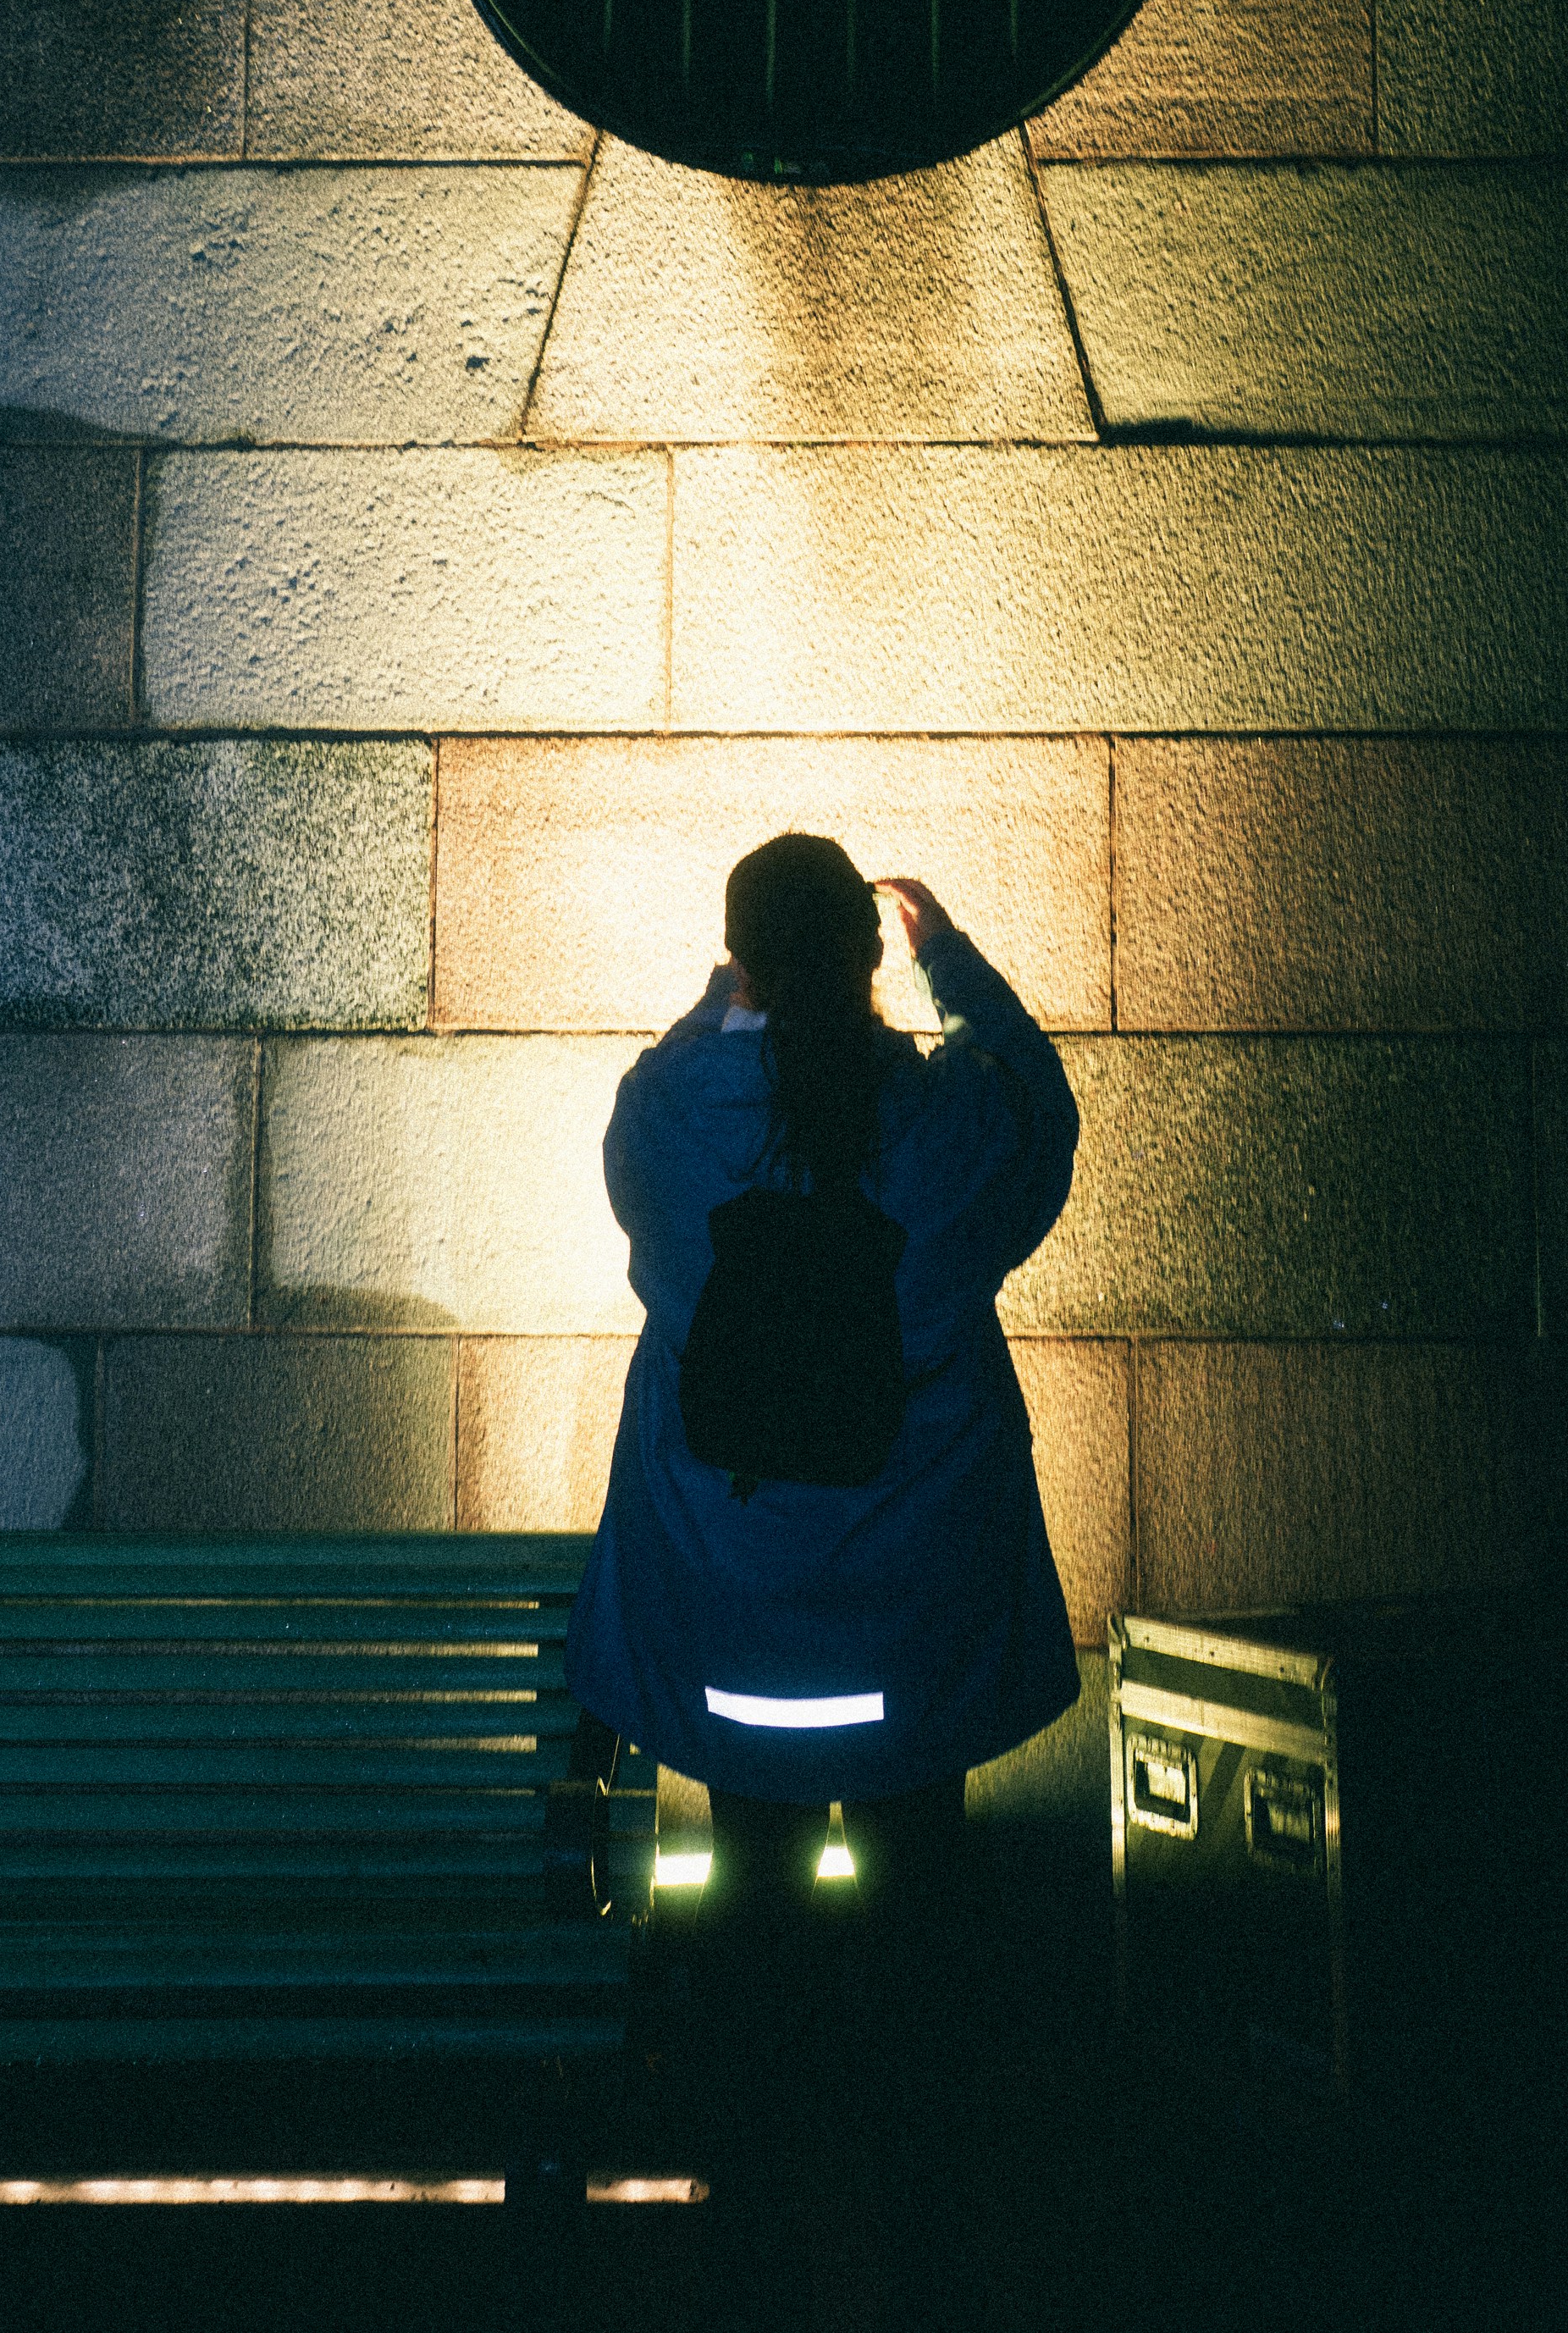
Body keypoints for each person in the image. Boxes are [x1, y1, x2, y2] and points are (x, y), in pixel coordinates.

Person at [562, 832, 1081, 2305]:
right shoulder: (949, 1128)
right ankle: (927, 2213)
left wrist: (729, 990)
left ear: (741, 962)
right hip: (915, 1635)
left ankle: (758, 2217)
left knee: (754, 1893)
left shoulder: (668, 1118)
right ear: (866, 958)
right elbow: (1044, 1117)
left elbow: (646, 1133)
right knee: (926, 1898)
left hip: (737, 1635)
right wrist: (951, 957)